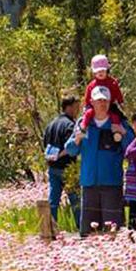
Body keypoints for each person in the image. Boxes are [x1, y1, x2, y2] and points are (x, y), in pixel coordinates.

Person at [65, 86, 135, 237]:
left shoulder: (119, 123)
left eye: (105, 100)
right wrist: (77, 138)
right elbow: (70, 150)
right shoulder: (83, 123)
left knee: (113, 232)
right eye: (98, 100)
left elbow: (132, 149)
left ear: (110, 102)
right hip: (89, 184)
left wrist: (123, 133)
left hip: (111, 184)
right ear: (92, 102)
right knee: (89, 233)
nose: (102, 104)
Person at [43, 96, 81, 229]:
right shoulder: (70, 125)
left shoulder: (50, 124)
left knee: (53, 200)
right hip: (67, 168)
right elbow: (70, 148)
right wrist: (60, 155)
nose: (78, 110)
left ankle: (49, 228)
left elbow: (45, 145)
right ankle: (81, 228)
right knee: (75, 200)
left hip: (52, 168)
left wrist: (52, 157)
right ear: (69, 107)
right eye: (76, 106)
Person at [80, 54, 126, 138]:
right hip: (94, 105)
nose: (100, 73)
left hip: (110, 104)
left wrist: (121, 102)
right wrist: (86, 106)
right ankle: (83, 128)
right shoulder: (91, 85)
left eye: (102, 70)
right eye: (98, 71)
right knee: (88, 113)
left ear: (107, 70)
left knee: (115, 115)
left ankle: (116, 131)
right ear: (94, 72)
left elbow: (118, 93)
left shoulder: (112, 82)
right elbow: (87, 96)